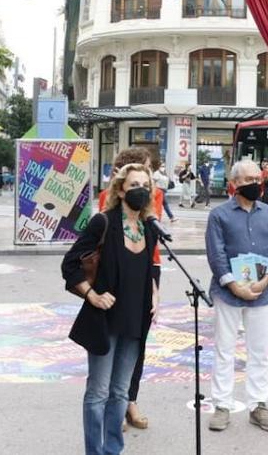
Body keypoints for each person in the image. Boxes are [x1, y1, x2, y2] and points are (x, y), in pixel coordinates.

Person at [62, 163, 159, 455]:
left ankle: (113, 449)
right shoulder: (103, 223)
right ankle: (95, 451)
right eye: (133, 185)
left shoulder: (149, 229)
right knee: (98, 392)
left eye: (145, 185)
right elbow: (70, 264)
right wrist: (91, 294)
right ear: (120, 190)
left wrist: (155, 291)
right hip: (105, 321)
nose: (140, 190)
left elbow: (149, 268)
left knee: (120, 392)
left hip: (135, 322)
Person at [205, 159, 268, 433]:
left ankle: (258, 405)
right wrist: (234, 286)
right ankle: (222, 406)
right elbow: (216, 256)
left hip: (263, 294)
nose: (255, 183)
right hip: (228, 294)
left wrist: (265, 281)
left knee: (259, 352)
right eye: (249, 179)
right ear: (235, 183)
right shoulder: (219, 215)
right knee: (224, 351)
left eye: (257, 178)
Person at [96, 146, 162, 430]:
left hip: (150, 264)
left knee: (138, 338)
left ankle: (129, 400)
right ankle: (114, 402)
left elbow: (150, 224)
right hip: (119, 267)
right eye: (144, 168)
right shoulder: (107, 199)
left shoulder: (154, 195)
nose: (149, 178)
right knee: (115, 337)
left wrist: (154, 286)